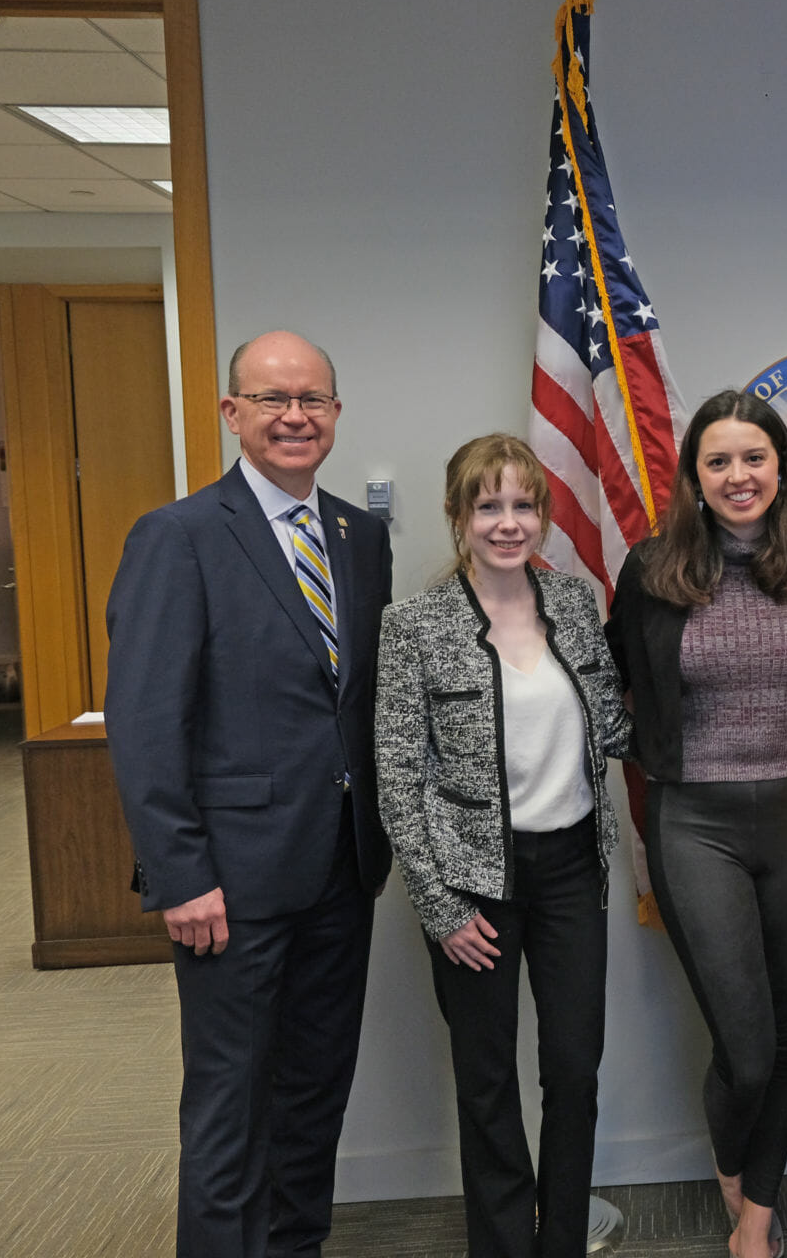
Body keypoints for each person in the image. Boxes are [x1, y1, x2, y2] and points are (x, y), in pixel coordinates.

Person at [106, 331, 393, 1258]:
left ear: (337, 417)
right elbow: (146, 722)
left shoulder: (360, 536)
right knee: (231, 1110)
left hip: (342, 873)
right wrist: (179, 874)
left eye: (312, 399)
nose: (294, 416)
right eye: (272, 399)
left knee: (314, 1096)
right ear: (232, 413)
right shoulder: (179, 536)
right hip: (229, 888)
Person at [605, 390, 787, 1258]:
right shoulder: (651, 570)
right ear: (694, 477)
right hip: (693, 821)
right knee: (744, 1047)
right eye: (719, 461)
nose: (738, 476)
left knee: (785, 1034)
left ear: (781, 467)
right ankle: (730, 1170)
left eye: (754, 458)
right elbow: (618, 684)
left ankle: (756, 1216)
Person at [375, 434, 630, 1258]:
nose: (508, 523)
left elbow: (615, 727)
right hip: (471, 885)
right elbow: (397, 776)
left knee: (574, 1075)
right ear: (457, 517)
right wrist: (441, 906)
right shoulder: (414, 625)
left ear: (545, 517)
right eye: (488, 506)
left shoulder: (578, 606)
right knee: (487, 1083)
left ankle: (561, 1240)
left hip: (568, 873)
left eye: (524, 505)